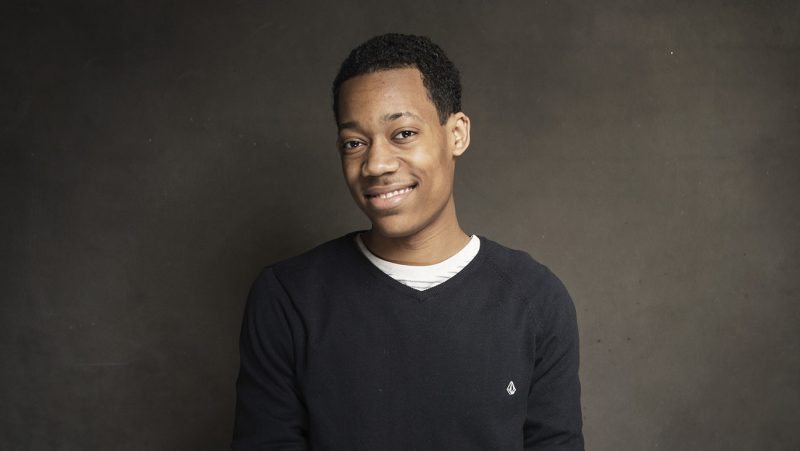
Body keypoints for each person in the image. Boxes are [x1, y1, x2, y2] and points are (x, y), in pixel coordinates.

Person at [232, 33, 584, 451]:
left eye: (402, 134)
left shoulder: (535, 299)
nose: (376, 164)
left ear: (457, 134)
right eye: (354, 143)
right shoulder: (288, 298)